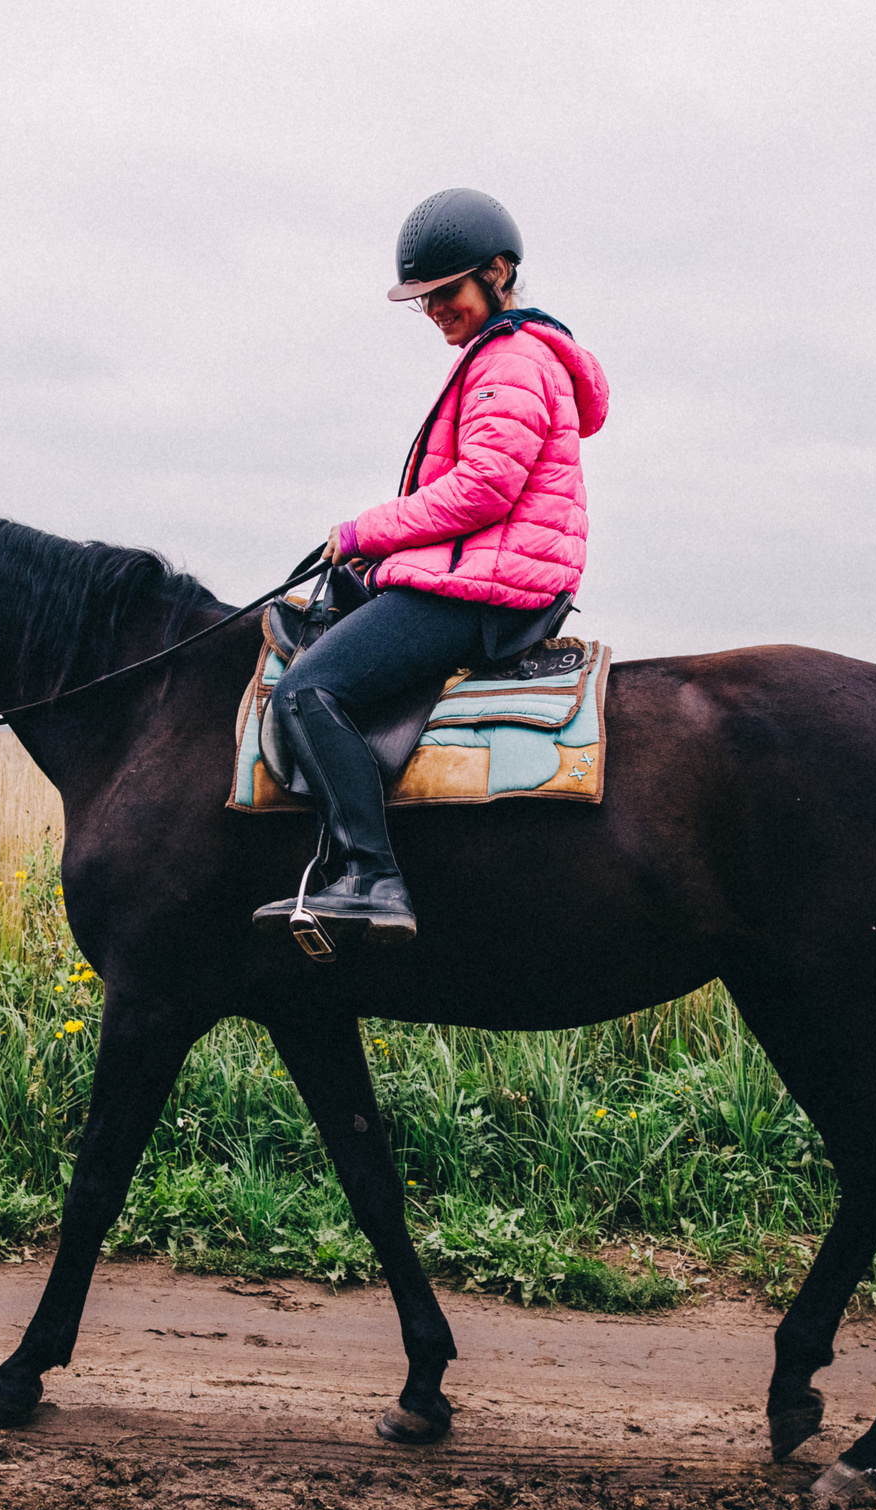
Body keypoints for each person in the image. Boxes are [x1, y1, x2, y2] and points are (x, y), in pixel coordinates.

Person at [253, 188, 611, 946]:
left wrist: (363, 532)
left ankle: (369, 876)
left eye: (445, 292)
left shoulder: (511, 359)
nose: (434, 311)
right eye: (423, 300)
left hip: (490, 588)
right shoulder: (507, 354)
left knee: (310, 690)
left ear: (500, 273)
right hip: (492, 574)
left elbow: (483, 488)